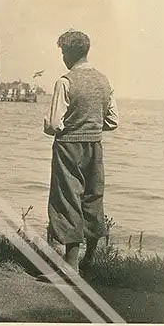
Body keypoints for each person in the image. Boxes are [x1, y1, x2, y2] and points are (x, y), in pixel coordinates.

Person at [43, 29, 119, 274]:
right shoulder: (104, 80)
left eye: (63, 52)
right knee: (92, 197)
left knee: (67, 198)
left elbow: (54, 124)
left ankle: (71, 264)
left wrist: (60, 128)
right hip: (95, 145)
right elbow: (113, 120)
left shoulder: (65, 81)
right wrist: (93, 125)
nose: (63, 57)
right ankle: (90, 259)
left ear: (70, 53)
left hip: (69, 146)